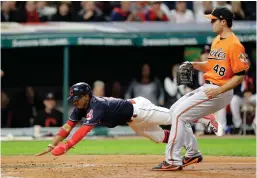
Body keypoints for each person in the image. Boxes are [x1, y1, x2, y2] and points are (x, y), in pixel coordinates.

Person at [152, 7, 249, 171]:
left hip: (219, 90)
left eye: (213, 20)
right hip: (210, 85)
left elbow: (240, 76)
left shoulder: (235, 45)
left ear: (223, 21)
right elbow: (212, 65)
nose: (211, 22)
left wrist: (219, 91)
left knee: (179, 116)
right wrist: (194, 64)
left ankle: (173, 160)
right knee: (174, 111)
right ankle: (193, 153)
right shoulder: (217, 40)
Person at [36, 82, 221, 156]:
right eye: (73, 100)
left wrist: (66, 146)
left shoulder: (96, 105)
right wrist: (53, 143)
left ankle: (204, 116)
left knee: (174, 116)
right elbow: (67, 127)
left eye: (77, 99)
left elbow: (83, 131)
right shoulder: (81, 107)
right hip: (133, 120)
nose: (75, 102)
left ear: (86, 96)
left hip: (140, 110)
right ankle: (183, 144)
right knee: (157, 137)